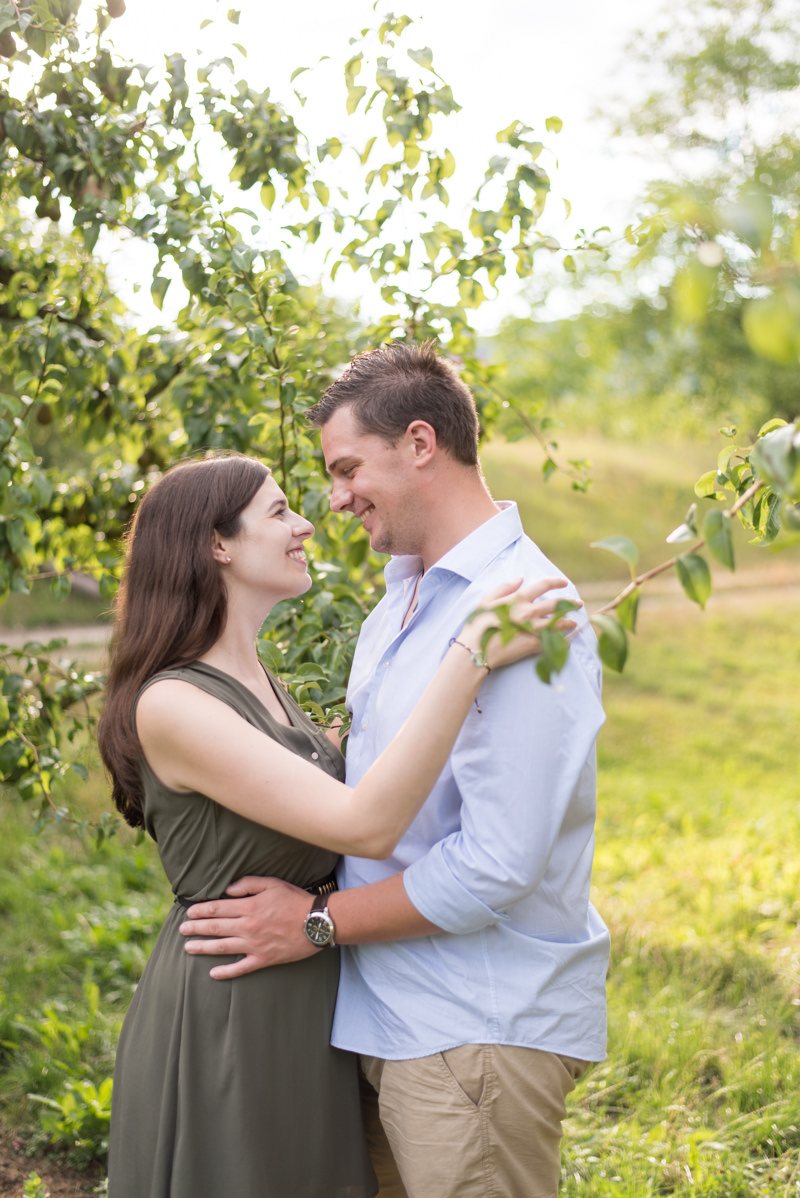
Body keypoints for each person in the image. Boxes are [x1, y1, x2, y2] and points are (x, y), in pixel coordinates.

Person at [179, 343, 611, 1198]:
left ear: (420, 443)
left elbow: (496, 863)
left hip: (475, 1028)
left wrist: (315, 922)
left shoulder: (523, 608)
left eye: (346, 468)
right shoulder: (401, 599)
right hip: (390, 1019)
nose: (333, 499)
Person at [96, 451, 572, 1198]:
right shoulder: (174, 704)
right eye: (280, 511)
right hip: (235, 1008)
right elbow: (366, 822)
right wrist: (470, 652)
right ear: (217, 543)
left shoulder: (261, 683)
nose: (308, 523)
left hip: (311, 1004)